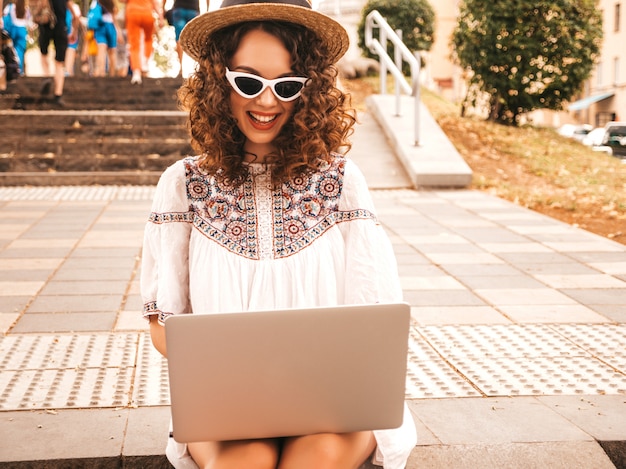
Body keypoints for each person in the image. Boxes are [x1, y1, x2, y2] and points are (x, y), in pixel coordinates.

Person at [140, 0, 417, 468]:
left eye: (287, 86)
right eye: (248, 82)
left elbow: (376, 315)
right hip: (227, 405)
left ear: (309, 91)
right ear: (216, 80)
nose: (267, 102)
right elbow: (163, 321)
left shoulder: (343, 183)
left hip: (334, 407)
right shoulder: (181, 185)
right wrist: (242, 367)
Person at [38, 0, 78, 105]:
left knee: (43, 54)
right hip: (61, 28)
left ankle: (46, 76)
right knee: (59, 63)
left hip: (46, 27)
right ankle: (58, 95)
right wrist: (74, 31)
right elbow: (76, 15)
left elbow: (39, 8)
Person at [120, 0, 162, 84]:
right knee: (148, 40)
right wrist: (160, 17)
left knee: (134, 44)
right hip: (147, 14)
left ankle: (136, 72)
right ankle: (145, 64)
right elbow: (155, 3)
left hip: (133, 13)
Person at [163, 0, 198, 76]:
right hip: (193, 9)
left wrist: (163, 8)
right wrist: (207, 9)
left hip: (179, 9)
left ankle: (181, 68)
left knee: (179, 39)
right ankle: (197, 69)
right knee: (195, 39)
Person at [2, 0, 27, 76]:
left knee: (13, 51)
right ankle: (20, 70)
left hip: (13, 30)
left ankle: (14, 69)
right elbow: (29, 20)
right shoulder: (25, 8)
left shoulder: (10, 7)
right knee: (20, 51)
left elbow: (4, 17)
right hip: (22, 30)